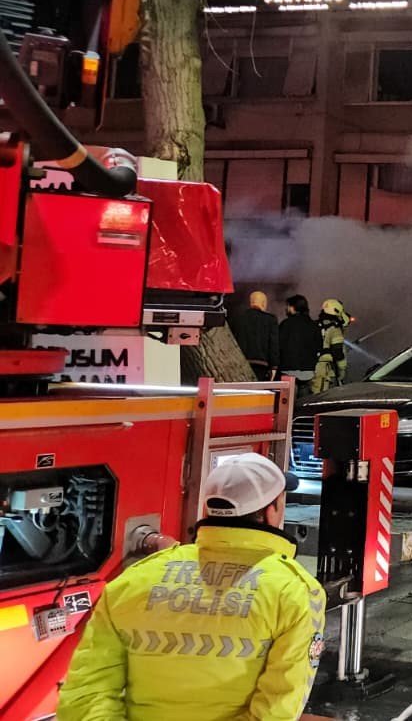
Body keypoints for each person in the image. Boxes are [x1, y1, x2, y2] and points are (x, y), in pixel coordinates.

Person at [57, 453, 326, 721]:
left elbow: (86, 695)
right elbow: (276, 711)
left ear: (207, 510)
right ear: (271, 512)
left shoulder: (134, 580)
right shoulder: (294, 592)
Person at [228, 291, 278, 382]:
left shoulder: (238, 318)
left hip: (240, 363)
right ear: (264, 303)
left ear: (251, 302)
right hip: (261, 365)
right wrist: (274, 366)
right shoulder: (270, 320)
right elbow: (273, 344)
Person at [278, 295, 320, 398]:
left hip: (288, 369)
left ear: (293, 307)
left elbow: (278, 345)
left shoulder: (286, 324)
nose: (286, 309)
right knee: (304, 401)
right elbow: (318, 346)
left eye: (288, 306)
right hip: (308, 371)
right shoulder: (313, 325)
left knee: (287, 402)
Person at [311, 298, 351, 395]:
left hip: (311, 366)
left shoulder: (314, 325)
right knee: (320, 396)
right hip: (323, 369)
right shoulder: (334, 329)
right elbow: (338, 353)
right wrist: (342, 371)